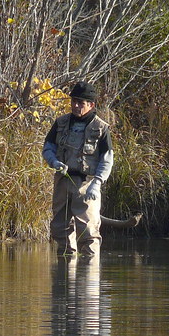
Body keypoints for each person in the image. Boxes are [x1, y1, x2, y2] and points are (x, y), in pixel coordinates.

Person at [42, 81, 114, 256]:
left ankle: (89, 278)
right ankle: (65, 273)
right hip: (62, 181)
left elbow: (107, 159)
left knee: (88, 233)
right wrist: (53, 162)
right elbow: (48, 147)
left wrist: (97, 183)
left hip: (86, 184)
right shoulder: (60, 123)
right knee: (59, 229)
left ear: (91, 105)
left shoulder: (101, 128)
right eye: (73, 101)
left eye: (80, 102)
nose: (75, 105)